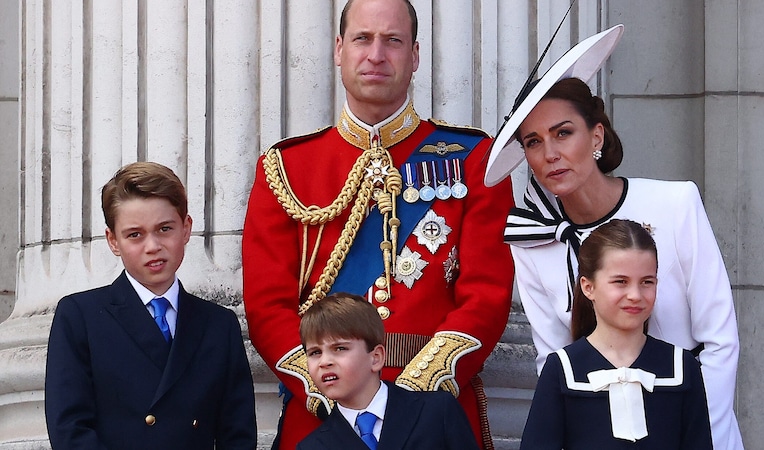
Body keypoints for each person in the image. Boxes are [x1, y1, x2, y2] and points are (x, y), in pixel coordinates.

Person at [242, 0, 514, 448]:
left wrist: (407, 401)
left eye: (393, 41)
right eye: (362, 38)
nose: (375, 54)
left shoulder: (472, 160)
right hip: (325, 415)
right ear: (339, 49)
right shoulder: (287, 167)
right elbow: (267, 306)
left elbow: (486, 294)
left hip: (433, 415)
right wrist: (334, 390)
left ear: (415, 55)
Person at [484, 25, 743, 450]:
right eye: (534, 142)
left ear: (597, 135)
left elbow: (719, 341)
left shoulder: (676, 203)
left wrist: (689, 436)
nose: (550, 153)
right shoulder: (532, 241)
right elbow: (555, 360)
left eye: (563, 133)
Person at [45, 162, 257, 450]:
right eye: (135, 234)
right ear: (113, 241)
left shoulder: (219, 324)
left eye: (164, 229)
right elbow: (69, 429)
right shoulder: (80, 316)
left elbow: (238, 434)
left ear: (186, 229)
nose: (153, 246)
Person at [519, 219, 713, 449]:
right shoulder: (563, 368)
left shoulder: (682, 367)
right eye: (621, 281)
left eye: (647, 282)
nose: (635, 294)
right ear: (588, 286)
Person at [296, 292, 480, 450]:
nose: (324, 362)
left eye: (340, 348)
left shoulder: (437, 412)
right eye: (315, 352)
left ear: (376, 357)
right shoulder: (312, 446)